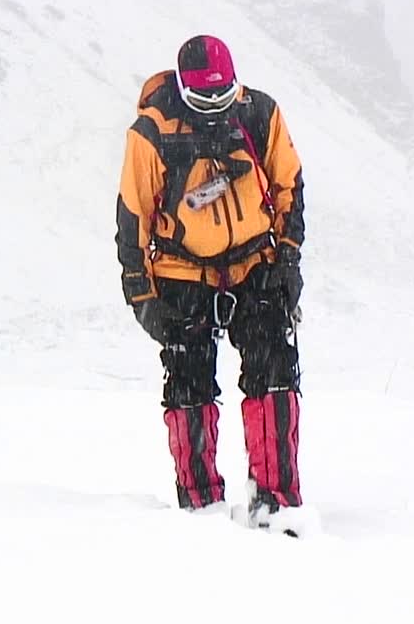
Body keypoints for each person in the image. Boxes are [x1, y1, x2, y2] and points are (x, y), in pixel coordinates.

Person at [115, 34, 307, 533]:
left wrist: (288, 259)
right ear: (182, 90)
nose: (214, 109)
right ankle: (199, 508)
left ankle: (277, 501)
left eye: (223, 98)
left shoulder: (260, 114)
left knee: (275, 374)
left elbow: (289, 184)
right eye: (203, 101)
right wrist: (142, 297)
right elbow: (132, 215)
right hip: (181, 272)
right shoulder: (150, 132)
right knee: (188, 383)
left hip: (255, 262)